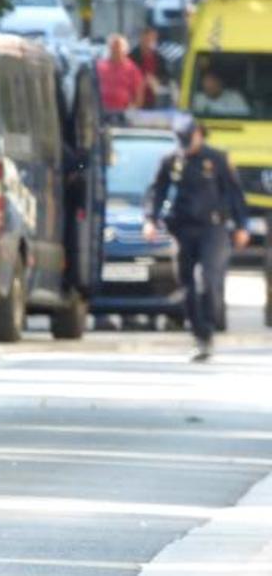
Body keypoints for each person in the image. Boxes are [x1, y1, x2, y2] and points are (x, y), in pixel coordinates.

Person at [143, 116, 249, 362]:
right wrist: (150, 219)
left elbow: (234, 193)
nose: (186, 145)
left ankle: (208, 329)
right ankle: (199, 335)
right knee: (187, 285)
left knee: (207, 280)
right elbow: (156, 191)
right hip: (183, 228)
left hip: (213, 229)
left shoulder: (217, 159)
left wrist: (242, 225)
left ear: (199, 134)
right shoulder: (171, 161)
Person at [97, 33, 144, 114]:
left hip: (123, 113)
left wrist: (131, 110)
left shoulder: (132, 69)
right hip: (102, 111)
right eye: (113, 48)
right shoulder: (99, 67)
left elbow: (139, 95)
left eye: (118, 48)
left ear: (125, 51)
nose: (116, 51)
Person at [130, 27, 170, 109]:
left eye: (152, 39)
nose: (149, 42)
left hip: (155, 101)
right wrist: (140, 81)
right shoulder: (131, 57)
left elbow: (166, 77)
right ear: (141, 38)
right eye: (147, 39)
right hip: (135, 101)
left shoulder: (160, 58)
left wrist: (156, 80)